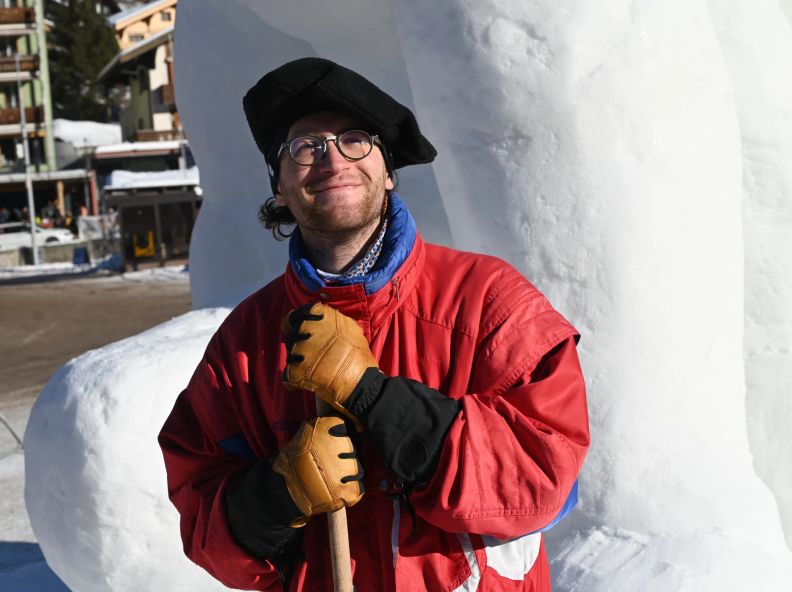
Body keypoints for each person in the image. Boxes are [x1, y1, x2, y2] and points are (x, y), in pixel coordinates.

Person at [159, 57, 590, 592]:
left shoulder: (491, 303)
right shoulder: (241, 347)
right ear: (280, 189)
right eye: (304, 146)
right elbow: (202, 522)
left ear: (387, 172)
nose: (332, 159)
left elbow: (547, 479)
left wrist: (377, 398)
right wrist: (277, 495)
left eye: (355, 139)